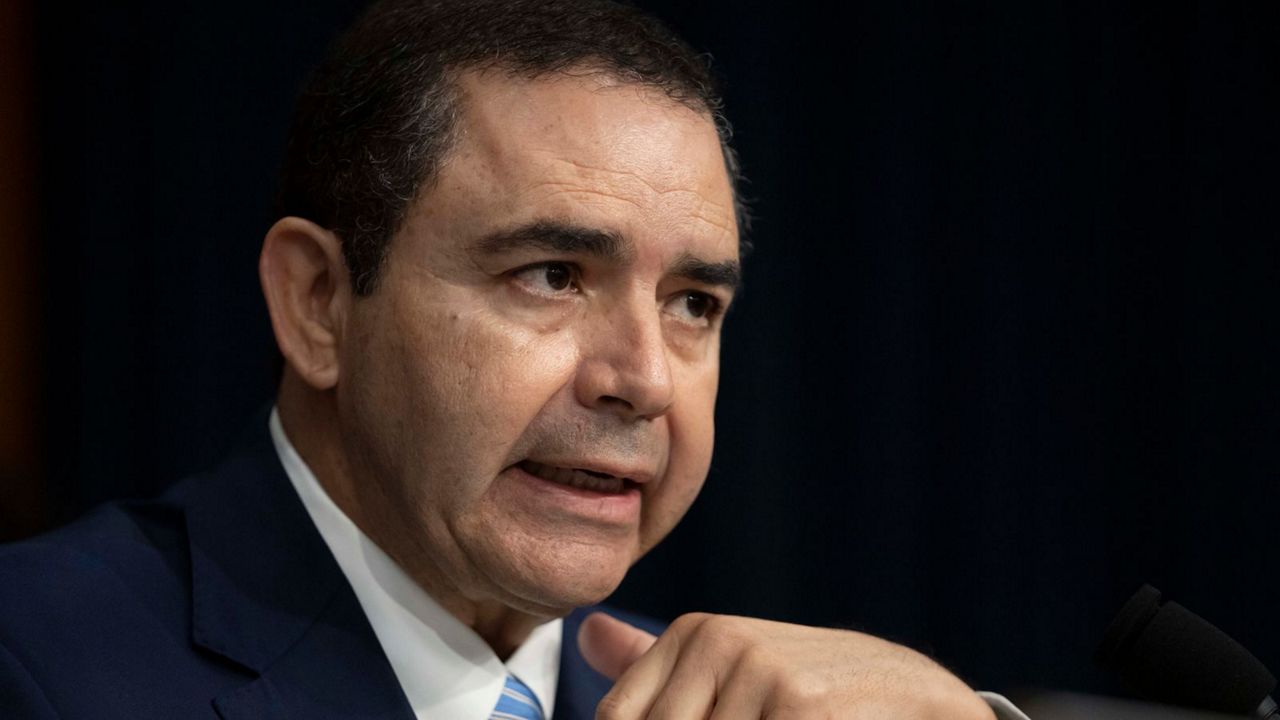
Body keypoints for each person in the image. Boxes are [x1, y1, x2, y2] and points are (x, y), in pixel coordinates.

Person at [0, 1, 1028, 717]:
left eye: (692, 304)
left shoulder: (713, 702)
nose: (641, 380)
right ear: (318, 304)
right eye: (550, 275)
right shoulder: (37, 662)